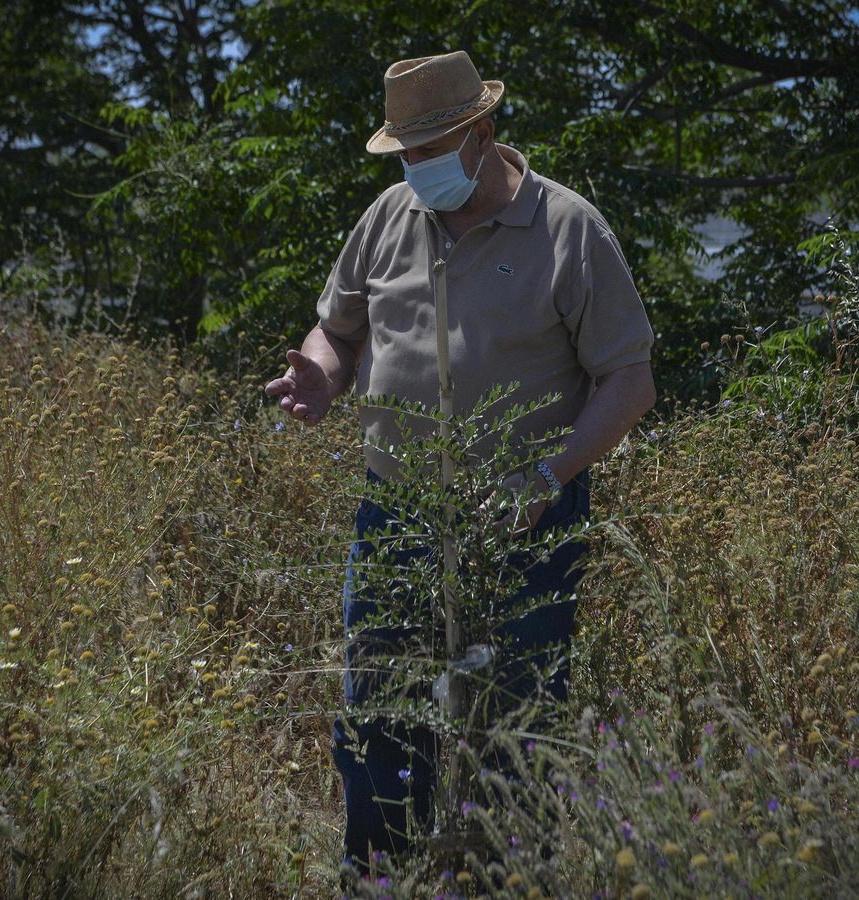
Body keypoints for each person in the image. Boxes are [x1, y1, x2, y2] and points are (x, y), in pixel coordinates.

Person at [263, 49, 656, 875]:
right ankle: (381, 882)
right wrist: (321, 377)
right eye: (404, 153)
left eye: (428, 149)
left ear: (480, 133)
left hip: (527, 521)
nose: (415, 168)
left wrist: (548, 479)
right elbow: (337, 331)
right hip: (396, 513)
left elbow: (629, 379)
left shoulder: (568, 227)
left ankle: (505, 881)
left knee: (513, 726)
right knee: (378, 715)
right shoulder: (387, 219)